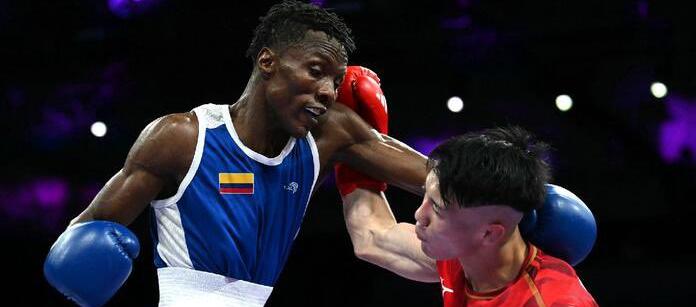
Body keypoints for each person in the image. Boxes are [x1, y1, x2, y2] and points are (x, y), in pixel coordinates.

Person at [43, 1, 427, 306]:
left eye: (337, 81)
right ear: (267, 61)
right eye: (315, 70)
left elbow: (437, 177)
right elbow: (88, 228)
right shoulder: (182, 137)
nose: (327, 90)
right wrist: (80, 265)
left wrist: (485, 167)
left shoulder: (328, 134)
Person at [340, 127, 598, 306]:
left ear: (490, 232)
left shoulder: (553, 301)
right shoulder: (463, 251)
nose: (420, 214)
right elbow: (372, 237)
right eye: (425, 197)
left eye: (438, 208)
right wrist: (341, 143)